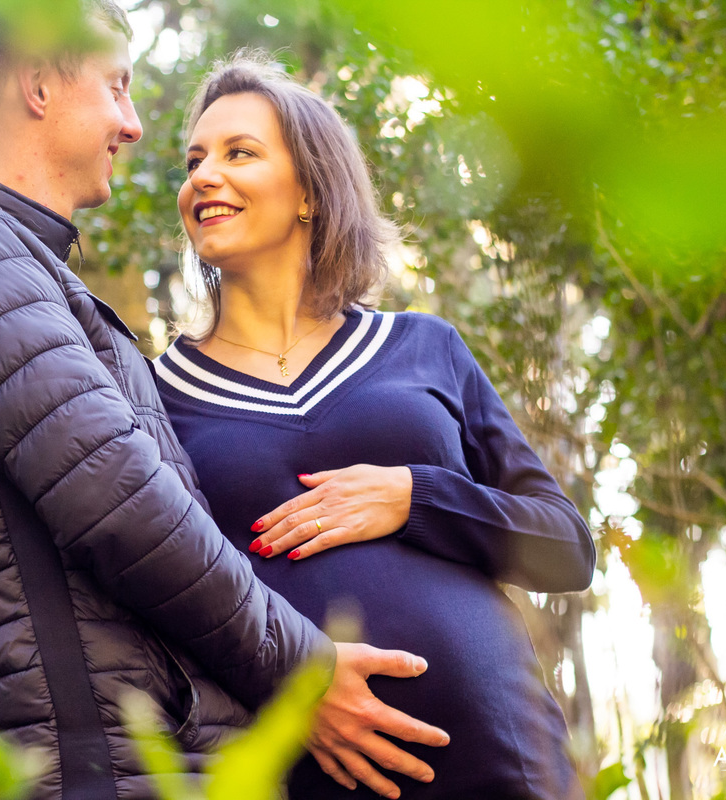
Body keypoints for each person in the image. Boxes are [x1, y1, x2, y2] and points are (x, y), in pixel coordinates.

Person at [0, 2, 451, 798]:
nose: (132, 124)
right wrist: (304, 670)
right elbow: (121, 503)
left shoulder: (14, 266)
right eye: (116, 87)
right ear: (37, 84)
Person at [154, 54, 597, 799]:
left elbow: (565, 548)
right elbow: (160, 593)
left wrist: (413, 497)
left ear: (309, 193)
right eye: (195, 159)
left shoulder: (425, 347)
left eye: (240, 153)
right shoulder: (157, 393)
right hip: (304, 774)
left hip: (504, 757)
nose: (202, 176)